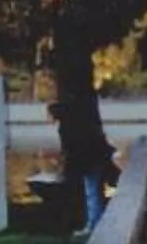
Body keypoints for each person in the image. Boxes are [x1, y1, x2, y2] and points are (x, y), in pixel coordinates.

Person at [51, 93, 118, 233]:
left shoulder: (66, 128)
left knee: (92, 192)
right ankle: (95, 222)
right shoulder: (78, 124)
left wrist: (66, 166)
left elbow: (70, 149)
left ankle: (94, 224)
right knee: (93, 191)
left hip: (89, 161)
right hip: (94, 159)